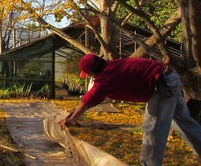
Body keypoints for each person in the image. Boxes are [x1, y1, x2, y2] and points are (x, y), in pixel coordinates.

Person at [59, 54, 201, 165]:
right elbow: (91, 98)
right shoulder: (112, 66)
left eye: (88, 74)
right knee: (183, 123)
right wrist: (74, 113)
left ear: (91, 72)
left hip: (161, 86)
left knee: (153, 131)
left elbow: (89, 99)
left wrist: (73, 118)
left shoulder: (107, 77)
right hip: (169, 78)